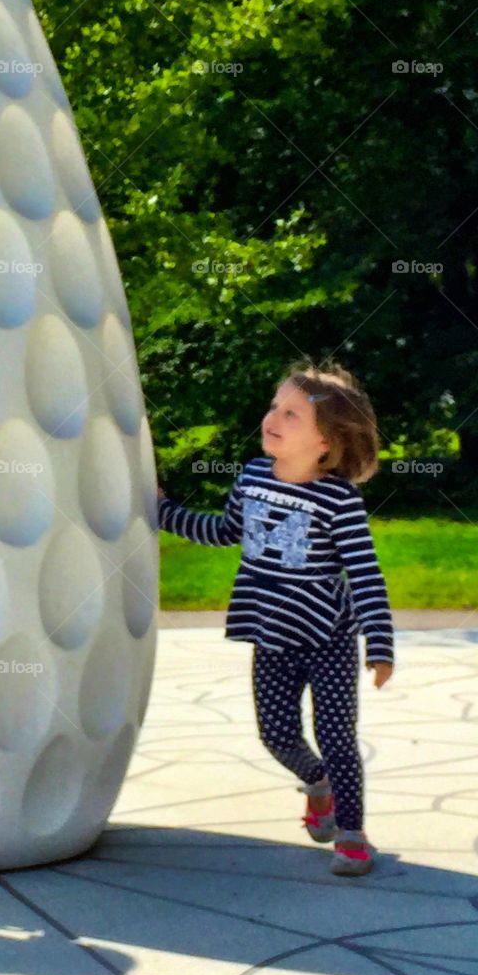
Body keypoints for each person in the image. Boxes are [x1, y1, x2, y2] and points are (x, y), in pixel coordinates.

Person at [156, 360, 394, 876]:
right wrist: (163, 511)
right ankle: (319, 786)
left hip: (327, 638)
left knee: (335, 736)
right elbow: (223, 532)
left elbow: (366, 574)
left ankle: (352, 834)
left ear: (325, 443)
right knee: (277, 734)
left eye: (291, 414)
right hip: (271, 634)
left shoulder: (339, 501)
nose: (273, 417)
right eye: (275, 406)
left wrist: (380, 644)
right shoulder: (253, 477)